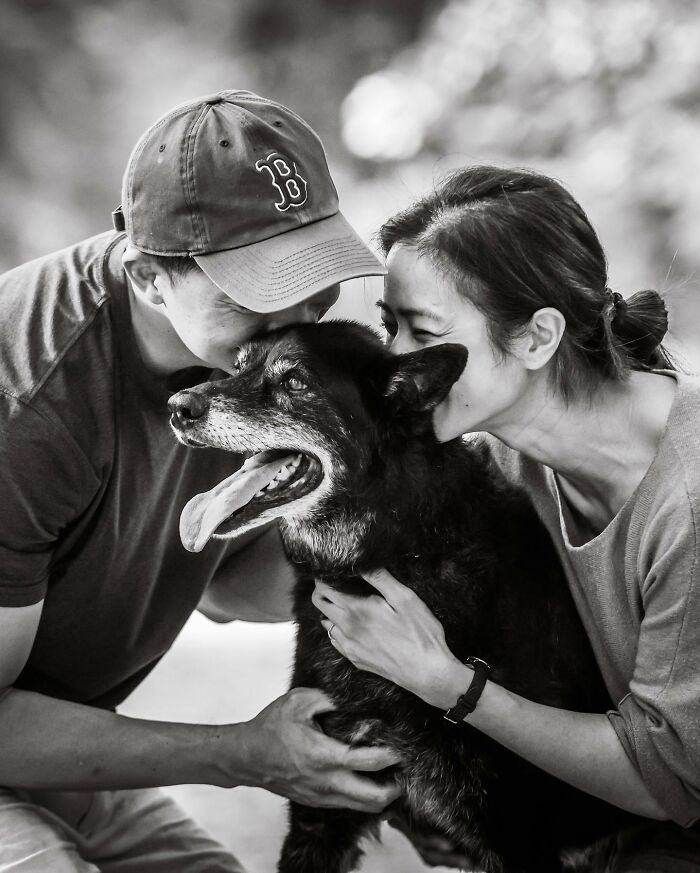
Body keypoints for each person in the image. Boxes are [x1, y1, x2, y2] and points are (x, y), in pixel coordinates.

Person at [0, 90, 400, 873]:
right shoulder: (29, 402)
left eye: (313, 273)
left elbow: (231, 584)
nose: (299, 314)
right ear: (148, 277)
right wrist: (244, 750)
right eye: (259, 287)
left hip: (50, 741)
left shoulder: (230, 357)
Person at [313, 166, 700, 871]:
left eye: (421, 329)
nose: (390, 359)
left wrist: (449, 685)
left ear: (535, 338)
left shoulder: (688, 503)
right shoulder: (499, 456)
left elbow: (671, 780)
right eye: (387, 325)